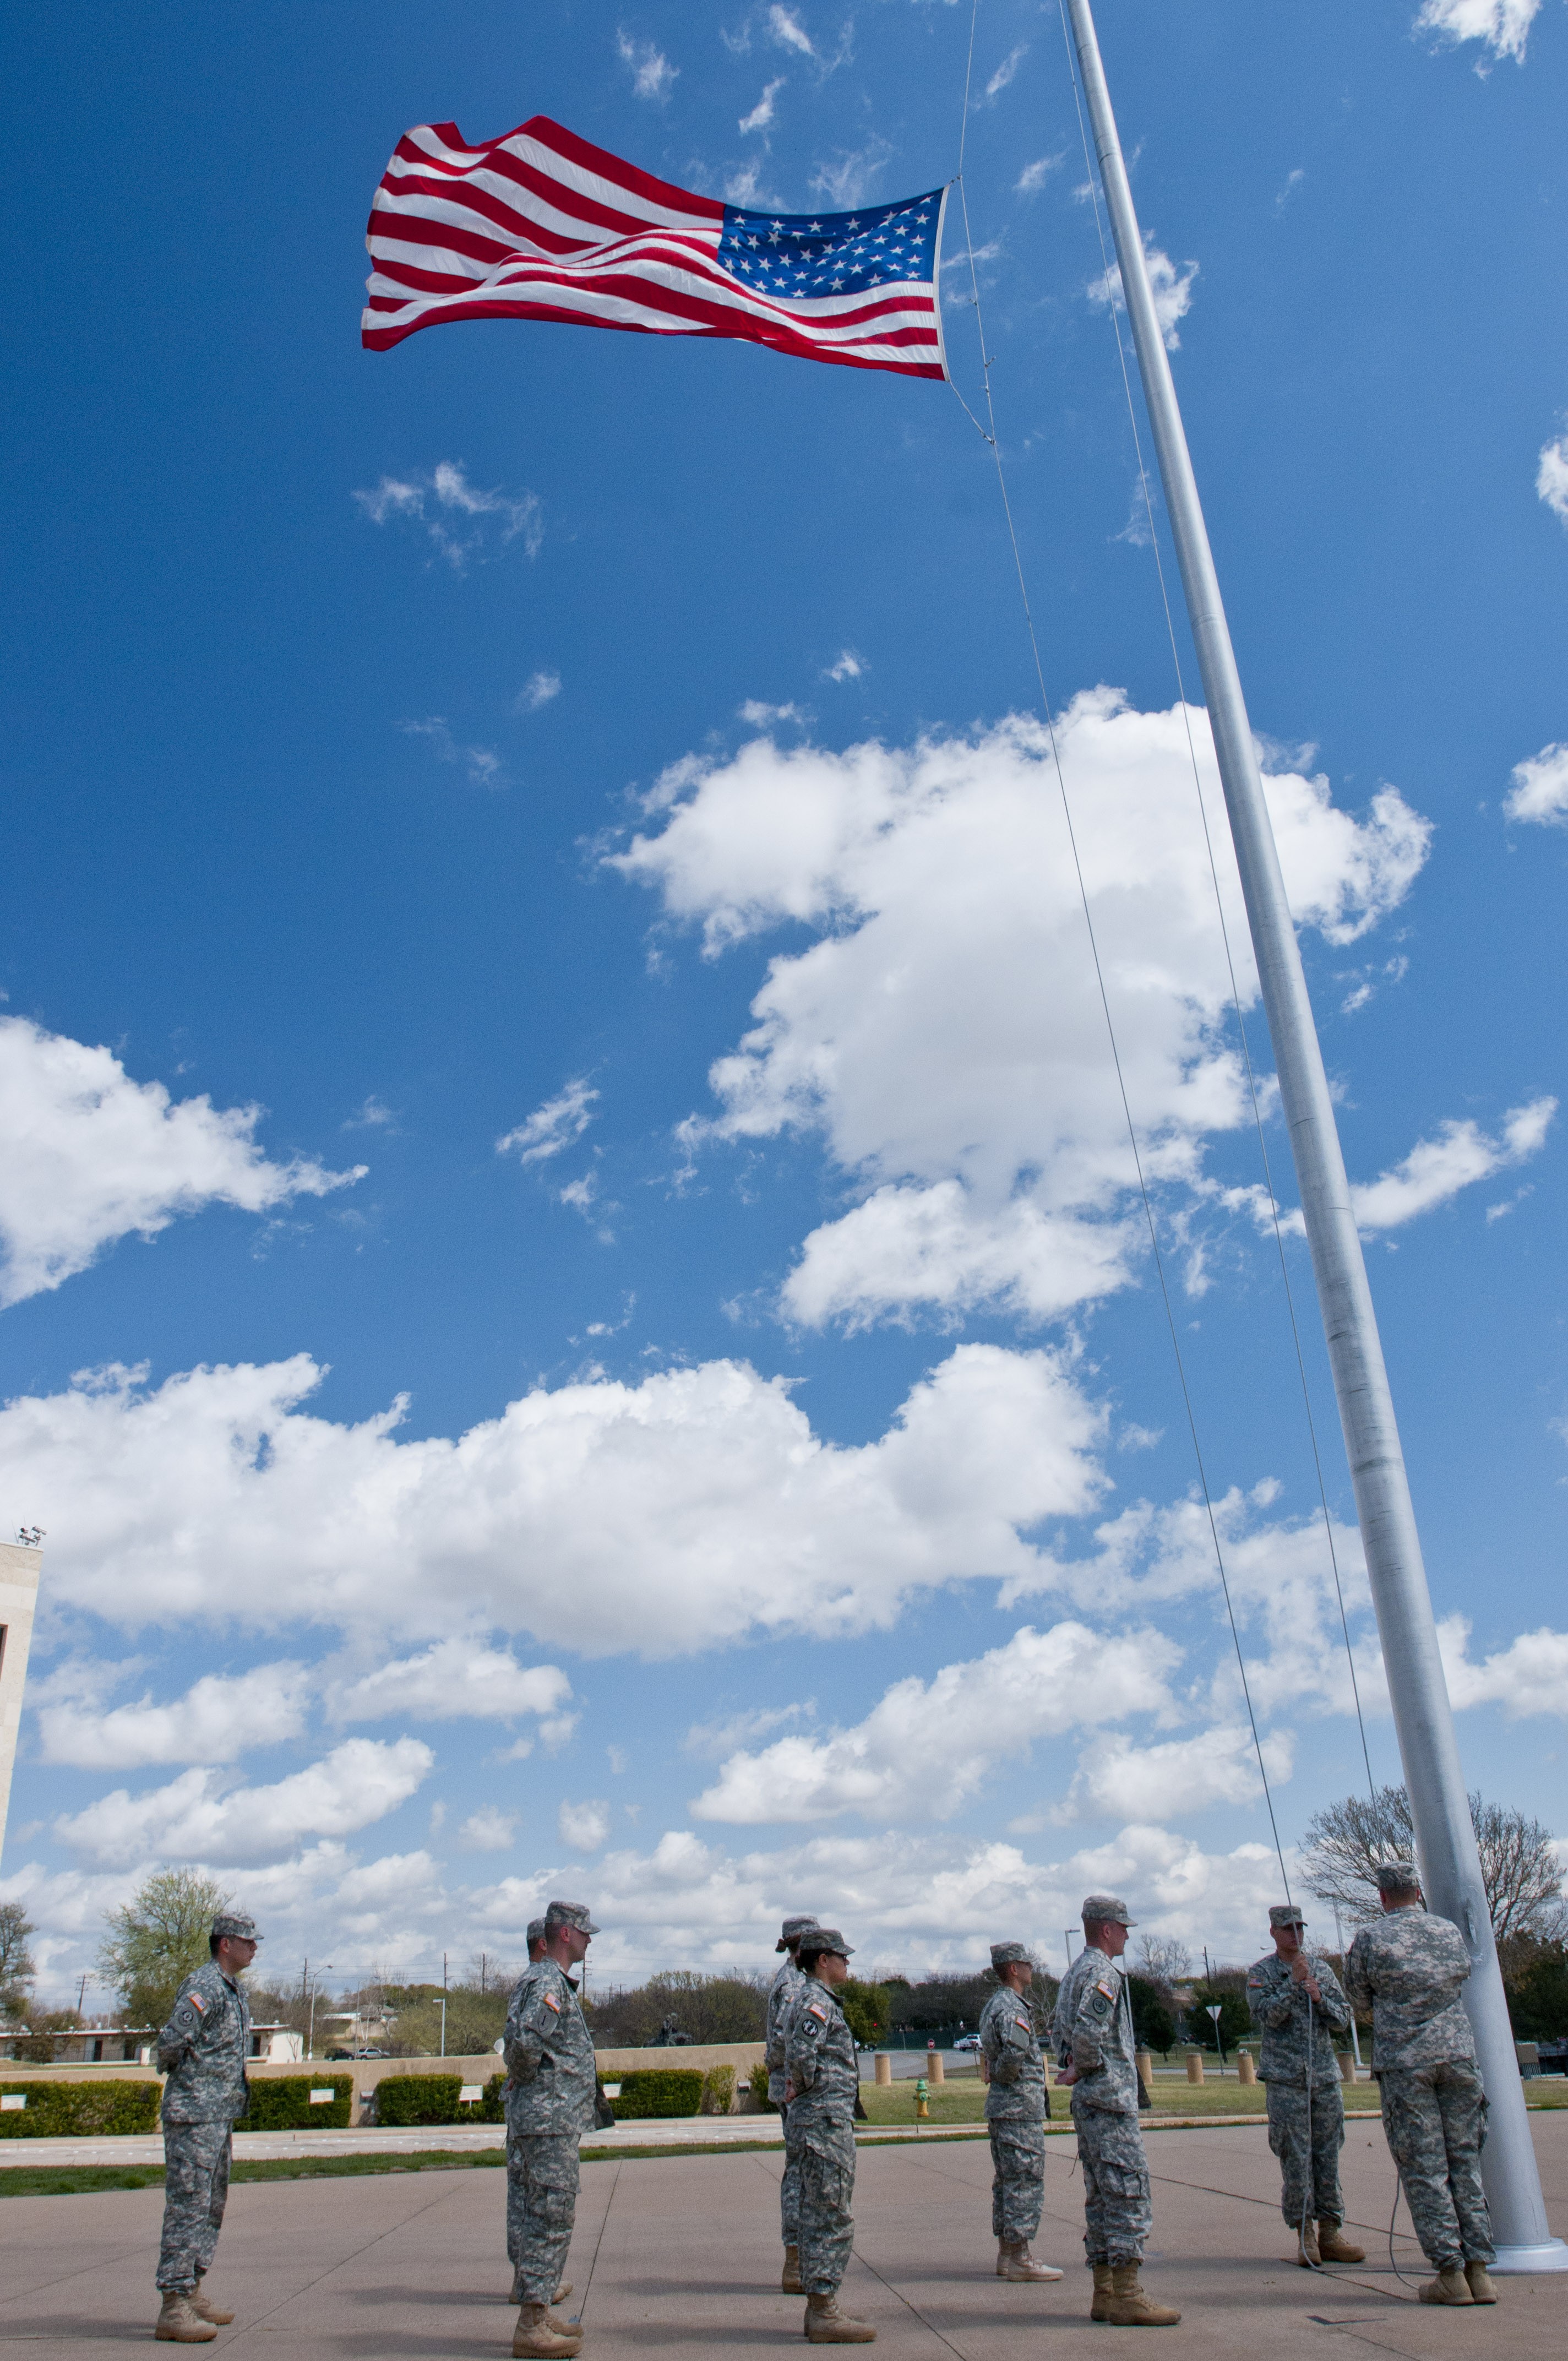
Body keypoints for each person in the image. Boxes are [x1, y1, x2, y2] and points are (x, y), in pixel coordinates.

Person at [1345, 1862, 1497, 2308]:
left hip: (1407, 2063)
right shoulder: (1448, 1932)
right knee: (1465, 2161)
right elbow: (1463, 1975)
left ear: (1382, 1896)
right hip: (1457, 2056)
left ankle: (1450, 2273)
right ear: (1417, 1892)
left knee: (1426, 2167)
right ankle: (1480, 2272)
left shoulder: (1371, 1938)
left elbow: (1357, 1997)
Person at [1052, 1896, 1179, 2327]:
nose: (1127, 1934)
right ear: (1106, 1929)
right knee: (1127, 2194)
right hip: (1108, 2100)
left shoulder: (1073, 1974)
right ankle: (1127, 2293)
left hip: (1091, 2102)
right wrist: (1083, 2068)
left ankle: (1105, 2292)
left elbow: (1061, 2034)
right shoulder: (1103, 1972)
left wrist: (1073, 2068)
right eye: (1123, 1927)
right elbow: (1089, 2033)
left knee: (1102, 2197)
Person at [152, 1911, 260, 2343]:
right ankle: (173, 2305)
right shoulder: (204, 1987)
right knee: (187, 2207)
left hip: (218, 2116)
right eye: (247, 1941)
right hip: (193, 2116)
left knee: (210, 2206)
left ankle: (193, 2290)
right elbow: (172, 2043)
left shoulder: (232, 1991)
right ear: (225, 1944)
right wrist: (192, 2086)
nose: (255, 1948)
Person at [504, 1900, 601, 2357]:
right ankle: (531, 2325)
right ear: (565, 1934)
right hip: (548, 2121)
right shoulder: (548, 1984)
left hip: (545, 2118)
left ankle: (537, 2312)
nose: (588, 1940)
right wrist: (541, 2093)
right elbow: (524, 2046)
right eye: (584, 1933)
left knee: (539, 2216)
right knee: (550, 2217)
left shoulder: (547, 1980)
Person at [1246, 1904, 1364, 2267]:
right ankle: (1305, 2234)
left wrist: (1318, 1996)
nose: (1295, 1935)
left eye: (1300, 1927)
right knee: (1295, 2157)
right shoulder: (1261, 1973)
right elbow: (1266, 2015)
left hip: (1324, 2078)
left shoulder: (1322, 1969)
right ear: (1273, 1932)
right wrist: (1293, 1986)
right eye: (1288, 1929)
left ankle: (1331, 2230)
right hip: (1286, 2080)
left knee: (1328, 2154)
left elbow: (1343, 2019)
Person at [785, 1929, 875, 2343]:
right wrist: (805, 2088)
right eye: (841, 1956)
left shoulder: (815, 1998)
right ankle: (824, 2309)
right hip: (823, 2123)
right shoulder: (816, 2001)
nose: (847, 1963)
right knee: (831, 2212)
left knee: (819, 2211)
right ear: (823, 1960)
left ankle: (820, 2306)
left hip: (822, 2120)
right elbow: (802, 2054)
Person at [978, 1943, 1064, 2283]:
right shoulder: (1012, 2007)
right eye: (1027, 1963)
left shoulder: (994, 2005)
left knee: (1007, 2181)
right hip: (1018, 2108)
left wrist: (995, 2072)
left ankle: (1007, 2253)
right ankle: (1021, 2257)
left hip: (1004, 2108)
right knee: (1024, 2180)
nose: (1033, 1968)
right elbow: (1013, 2054)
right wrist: (1001, 2073)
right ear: (1013, 1968)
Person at [767, 1915, 820, 2293]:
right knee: (800, 2174)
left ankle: (804, 2257)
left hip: (797, 2089)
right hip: (797, 2091)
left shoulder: (801, 1981)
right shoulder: (793, 1985)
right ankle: (795, 2260)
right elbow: (792, 2045)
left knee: (804, 2171)